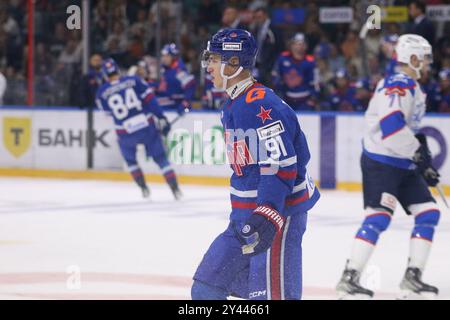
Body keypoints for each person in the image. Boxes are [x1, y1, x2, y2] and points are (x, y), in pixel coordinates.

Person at [192, 28, 320, 300]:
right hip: (243, 217)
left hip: (274, 216)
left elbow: (279, 163)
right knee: (206, 289)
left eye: (215, 59)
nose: (209, 66)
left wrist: (268, 212)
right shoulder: (234, 104)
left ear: (234, 63)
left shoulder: (260, 104)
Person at [336, 34, 441, 299]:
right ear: (413, 59)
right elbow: (392, 129)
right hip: (382, 162)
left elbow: (409, 131)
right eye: (426, 57)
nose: (429, 63)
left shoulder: (413, 87)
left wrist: (421, 157)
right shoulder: (398, 85)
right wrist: (417, 154)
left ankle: (412, 278)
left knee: (428, 212)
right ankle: (349, 278)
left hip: (402, 162)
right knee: (379, 216)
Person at [95, 58, 182, 199]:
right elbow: (150, 101)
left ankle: (143, 187)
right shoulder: (134, 81)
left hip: (125, 132)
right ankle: (174, 188)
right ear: (117, 69)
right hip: (146, 126)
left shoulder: (101, 92)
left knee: (130, 161)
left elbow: (108, 114)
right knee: (161, 159)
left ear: (105, 74)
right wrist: (161, 117)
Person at [272, 33, 318, 111]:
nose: (299, 46)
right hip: (286, 98)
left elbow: (315, 82)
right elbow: (275, 75)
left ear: (305, 46)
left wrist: (313, 98)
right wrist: (279, 94)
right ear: (291, 45)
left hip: (304, 100)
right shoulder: (283, 58)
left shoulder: (310, 61)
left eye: (301, 44)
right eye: (296, 44)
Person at [156, 43, 196, 114]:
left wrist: (185, 102)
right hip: (168, 102)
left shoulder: (178, 70)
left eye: (167, 56)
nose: (164, 58)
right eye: (163, 56)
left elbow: (190, 85)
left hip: (176, 104)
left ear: (173, 57)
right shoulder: (165, 69)